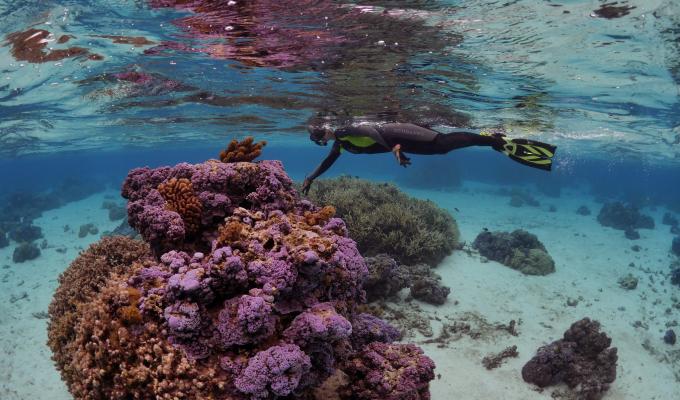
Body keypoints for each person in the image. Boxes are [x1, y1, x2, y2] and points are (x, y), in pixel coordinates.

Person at [300, 117, 556, 194]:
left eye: (315, 136)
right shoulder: (340, 144)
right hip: (398, 143)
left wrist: (393, 148)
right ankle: (488, 137)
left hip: (394, 133)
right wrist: (311, 177)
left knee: (441, 143)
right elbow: (328, 161)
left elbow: (371, 129)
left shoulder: (345, 129)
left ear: (323, 131)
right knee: (440, 150)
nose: (316, 141)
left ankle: (491, 138)